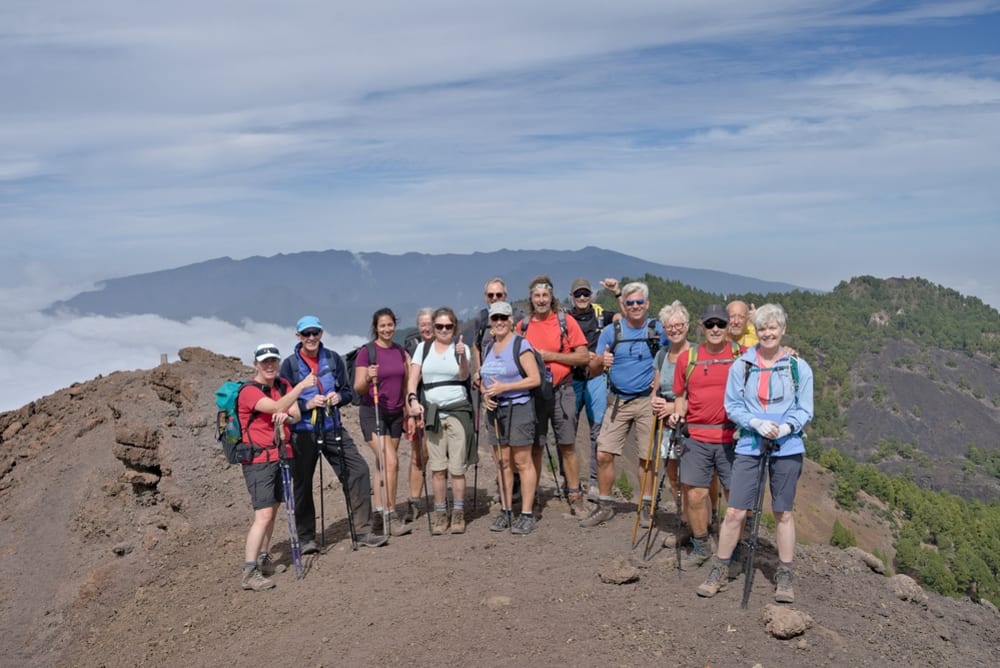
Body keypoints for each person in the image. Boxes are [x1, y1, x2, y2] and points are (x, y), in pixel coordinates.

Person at [697, 303, 813, 603]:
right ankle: (720, 568)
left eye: (773, 328)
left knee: (783, 512)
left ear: (783, 330)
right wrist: (755, 423)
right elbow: (732, 406)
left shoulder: (798, 367)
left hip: (787, 446)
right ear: (756, 332)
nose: (768, 333)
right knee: (736, 510)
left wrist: (788, 427)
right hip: (750, 443)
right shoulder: (743, 365)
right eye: (762, 328)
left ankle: (785, 574)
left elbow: (805, 409)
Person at [279, 316, 388, 552]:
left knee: (358, 471)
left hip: (332, 426)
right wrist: (306, 404)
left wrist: (338, 398)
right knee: (303, 483)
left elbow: (348, 392)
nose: (311, 338)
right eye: (306, 334)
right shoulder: (289, 365)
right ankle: (307, 537)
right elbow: (283, 399)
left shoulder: (332, 358)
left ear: (321, 334)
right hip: (302, 431)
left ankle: (362, 531)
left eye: (315, 333)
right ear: (298, 336)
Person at [581, 282, 664, 528]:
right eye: (630, 303)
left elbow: (675, 355)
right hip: (617, 400)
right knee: (604, 453)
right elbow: (593, 369)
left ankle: (646, 507)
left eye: (640, 302)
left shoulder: (657, 330)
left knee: (646, 458)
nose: (636, 306)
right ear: (624, 305)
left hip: (647, 401)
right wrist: (600, 361)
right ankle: (605, 504)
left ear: (647, 304)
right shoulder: (611, 332)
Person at [667, 305, 744, 569]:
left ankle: (733, 548)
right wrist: (677, 413)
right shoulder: (688, 359)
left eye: (720, 324)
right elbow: (680, 396)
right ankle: (701, 546)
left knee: (736, 497)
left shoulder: (741, 355)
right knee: (695, 495)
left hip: (732, 438)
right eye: (709, 324)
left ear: (727, 327)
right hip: (697, 437)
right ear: (701, 327)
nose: (714, 329)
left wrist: (790, 353)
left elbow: (770, 356)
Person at [238, 343, 315, 591]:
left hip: (281, 455)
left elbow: (296, 415)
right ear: (256, 365)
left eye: (273, 361)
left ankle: (263, 558)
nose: (269, 365)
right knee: (263, 514)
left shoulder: (282, 385)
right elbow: (272, 407)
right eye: (264, 362)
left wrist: (287, 416)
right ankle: (249, 571)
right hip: (258, 460)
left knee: (272, 510)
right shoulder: (249, 391)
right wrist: (302, 387)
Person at [516, 275, 590, 515]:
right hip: (533, 394)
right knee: (535, 447)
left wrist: (551, 356)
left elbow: (583, 356)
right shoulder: (523, 326)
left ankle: (575, 495)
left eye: (545, 295)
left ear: (552, 297)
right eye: (537, 296)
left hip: (562, 390)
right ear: (531, 298)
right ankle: (533, 497)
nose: (541, 300)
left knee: (567, 444)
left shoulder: (565, 321)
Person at [406, 307, 474, 534]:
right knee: (437, 468)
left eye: (448, 326)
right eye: (439, 326)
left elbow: (464, 376)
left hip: (457, 410)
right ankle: (440, 513)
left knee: (457, 467)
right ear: (433, 328)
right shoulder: (423, 350)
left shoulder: (461, 349)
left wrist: (463, 355)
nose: (444, 330)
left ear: (454, 327)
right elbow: (413, 380)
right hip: (433, 413)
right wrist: (413, 400)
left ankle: (458, 512)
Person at [479, 301, 542, 535]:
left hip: (519, 407)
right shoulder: (488, 348)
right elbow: (485, 382)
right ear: (490, 322)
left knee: (522, 462)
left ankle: (526, 513)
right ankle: (506, 511)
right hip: (496, 410)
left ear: (511, 320)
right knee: (503, 463)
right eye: (495, 319)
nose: (499, 323)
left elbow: (534, 378)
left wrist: (505, 387)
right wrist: (486, 395)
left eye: (503, 318)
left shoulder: (521, 345)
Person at [354, 307, 412, 536]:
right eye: (382, 326)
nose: (387, 329)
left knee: (382, 465)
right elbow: (358, 388)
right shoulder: (367, 352)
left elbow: (406, 384)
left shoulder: (400, 351)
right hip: (373, 411)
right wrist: (368, 377)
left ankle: (378, 514)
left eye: (390, 325)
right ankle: (390, 514)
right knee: (392, 463)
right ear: (375, 328)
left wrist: (408, 412)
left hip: (396, 413)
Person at [567, 277, 617, 499]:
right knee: (568, 432)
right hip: (572, 378)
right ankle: (570, 481)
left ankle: (595, 482)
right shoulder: (565, 319)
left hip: (596, 378)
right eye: (578, 294)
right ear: (571, 297)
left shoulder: (601, 315)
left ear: (591, 295)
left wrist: (617, 292)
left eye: (585, 294)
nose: (582, 298)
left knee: (597, 432)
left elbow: (625, 317)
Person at [651, 301, 692, 538]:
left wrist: (671, 407)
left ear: (686, 325)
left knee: (692, 478)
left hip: (689, 423)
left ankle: (696, 524)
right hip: (666, 424)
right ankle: (684, 519)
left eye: (678, 325)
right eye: (669, 326)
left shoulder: (696, 353)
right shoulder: (662, 355)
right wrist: (655, 401)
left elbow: (699, 394)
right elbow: (656, 388)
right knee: (674, 475)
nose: (674, 330)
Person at [401, 307, 435, 525]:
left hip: (443, 404)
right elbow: (407, 384)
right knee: (419, 455)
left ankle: (442, 500)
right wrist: (409, 414)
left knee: (443, 454)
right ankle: (414, 502)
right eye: (422, 324)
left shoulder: (446, 343)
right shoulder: (411, 348)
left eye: (430, 322)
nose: (426, 327)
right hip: (418, 405)